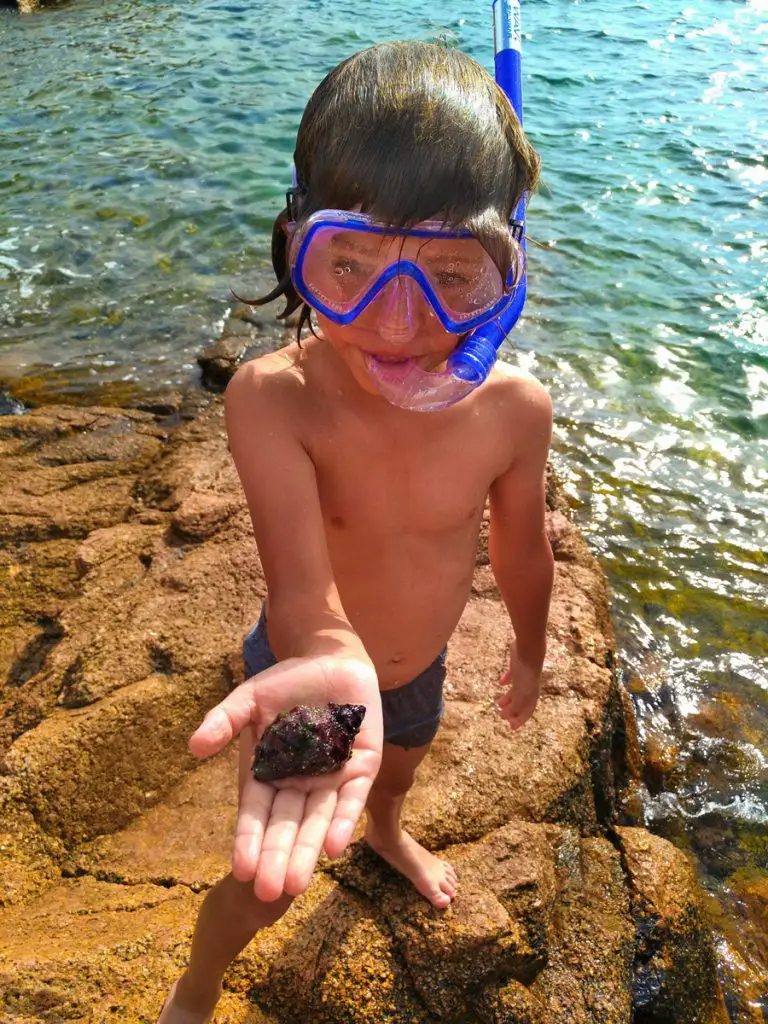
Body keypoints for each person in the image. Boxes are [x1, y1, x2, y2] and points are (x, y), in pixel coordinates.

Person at [158, 38, 553, 1024]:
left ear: (506, 276)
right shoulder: (274, 400)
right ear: (298, 245)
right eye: (354, 267)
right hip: (310, 667)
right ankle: (196, 987)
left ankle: (384, 829)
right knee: (265, 883)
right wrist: (332, 664)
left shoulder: (514, 411)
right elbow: (300, 590)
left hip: (420, 671)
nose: (397, 322)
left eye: (451, 277)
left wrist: (536, 649)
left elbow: (521, 546)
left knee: (397, 772)